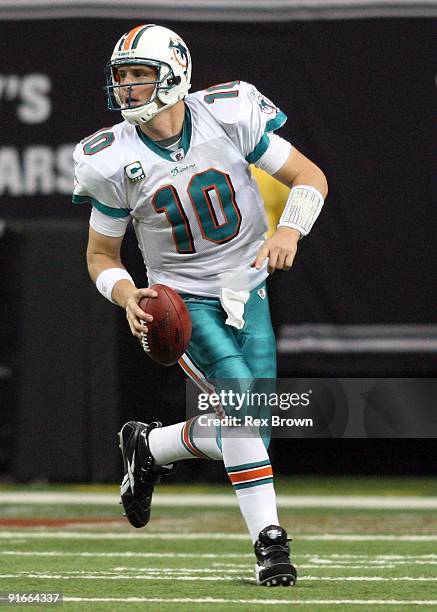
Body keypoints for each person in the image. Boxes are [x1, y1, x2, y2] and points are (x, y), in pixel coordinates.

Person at [72, 23, 328, 587]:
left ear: (175, 74)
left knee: (253, 429)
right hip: (183, 298)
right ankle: (270, 542)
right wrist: (125, 293)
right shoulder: (109, 158)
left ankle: (152, 445)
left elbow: (311, 177)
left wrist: (289, 231)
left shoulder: (230, 110)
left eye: (141, 75)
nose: (129, 88)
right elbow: (99, 254)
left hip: (248, 286)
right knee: (239, 401)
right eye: (123, 78)